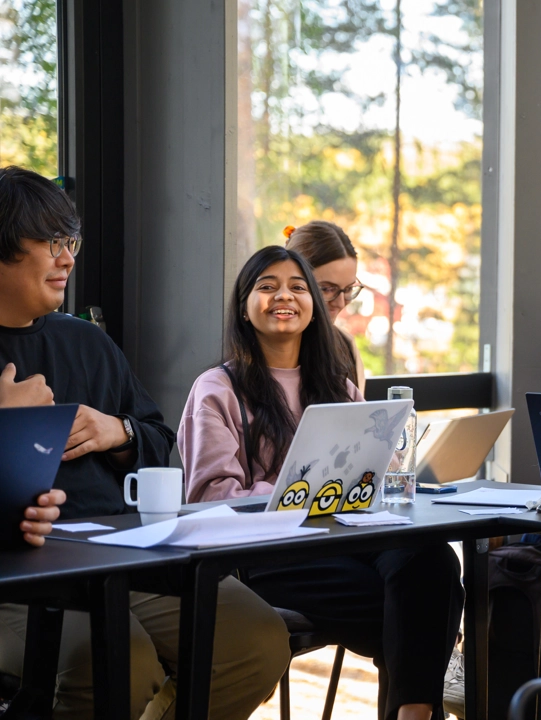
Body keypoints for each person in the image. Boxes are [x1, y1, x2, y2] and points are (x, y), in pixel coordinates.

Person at [0, 165, 290, 720]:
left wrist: (120, 431)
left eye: (73, 241)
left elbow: (162, 445)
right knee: (116, 659)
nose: (68, 258)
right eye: (51, 242)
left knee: (255, 640)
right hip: (19, 573)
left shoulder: (86, 341)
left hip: (120, 551)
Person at [179, 244, 462, 720]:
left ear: (313, 305)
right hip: (265, 550)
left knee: (431, 557)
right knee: (414, 604)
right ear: (244, 309)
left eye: (296, 287)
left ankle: (412, 713)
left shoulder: (337, 385)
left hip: (342, 532)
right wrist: (291, 494)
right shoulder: (217, 388)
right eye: (266, 287)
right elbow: (210, 497)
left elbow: (370, 473)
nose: (282, 297)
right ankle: (422, 702)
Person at [284, 220, 367, 393]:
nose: (341, 303)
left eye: (349, 289)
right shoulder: (269, 346)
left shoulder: (345, 346)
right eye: (327, 289)